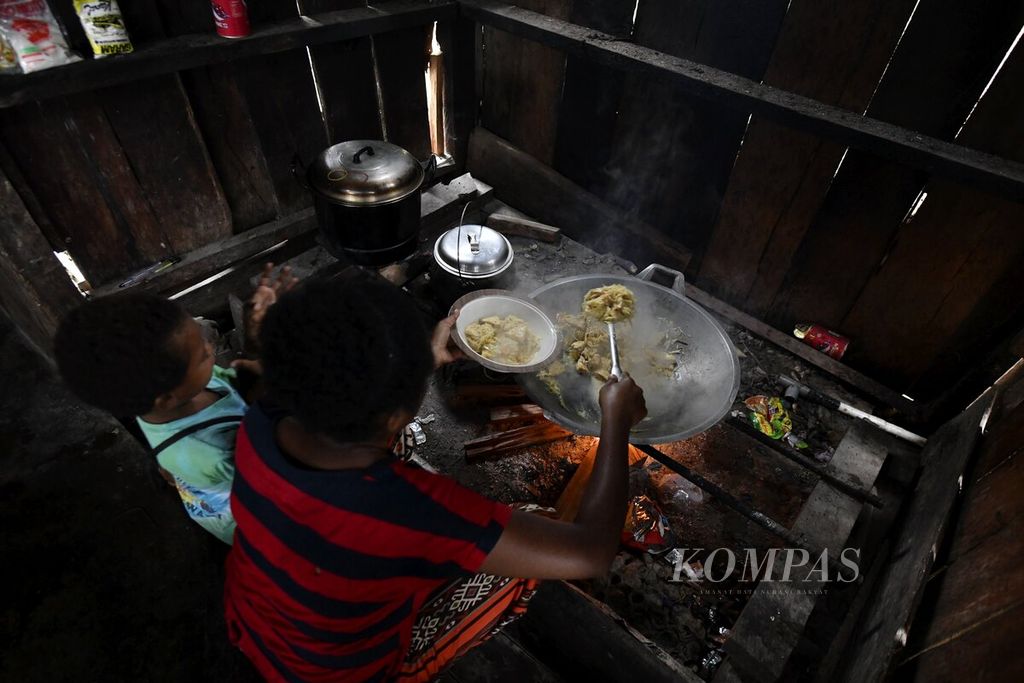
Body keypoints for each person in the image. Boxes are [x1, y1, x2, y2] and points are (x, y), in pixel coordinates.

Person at [224, 271, 647, 681]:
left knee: (398, 455)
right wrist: (616, 420)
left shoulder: (263, 418)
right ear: (393, 411)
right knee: (538, 521)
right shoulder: (412, 510)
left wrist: (415, 362)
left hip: (254, 618)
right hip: (345, 671)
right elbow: (589, 553)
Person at [53, 264, 297, 544]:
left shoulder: (168, 397)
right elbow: (277, 475)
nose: (209, 346)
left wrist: (255, 341)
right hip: (249, 519)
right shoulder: (212, 450)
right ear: (168, 397)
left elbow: (240, 388)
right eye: (204, 355)